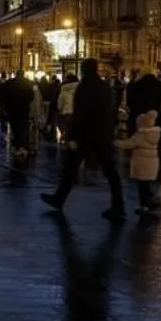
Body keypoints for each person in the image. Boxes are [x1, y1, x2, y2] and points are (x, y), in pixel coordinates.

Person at [41, 58, 126, 221]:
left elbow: (80, 114)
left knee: (71, 168)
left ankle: (59, 199)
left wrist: (73, 136)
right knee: (110, 172)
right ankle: (118, 205)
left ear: (84, 70)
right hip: (102, 134)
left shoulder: (84, 87)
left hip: (86, 134)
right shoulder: (105, 87)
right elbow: (111, 110)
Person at [116, 110, 161, 215]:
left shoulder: (141, 135)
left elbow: (128, 144)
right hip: (151, 166)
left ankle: (145, 205)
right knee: (147, 186)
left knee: (142, 188)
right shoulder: (154, 134)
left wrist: (116, 143)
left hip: (142, 165)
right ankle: (152, 201)